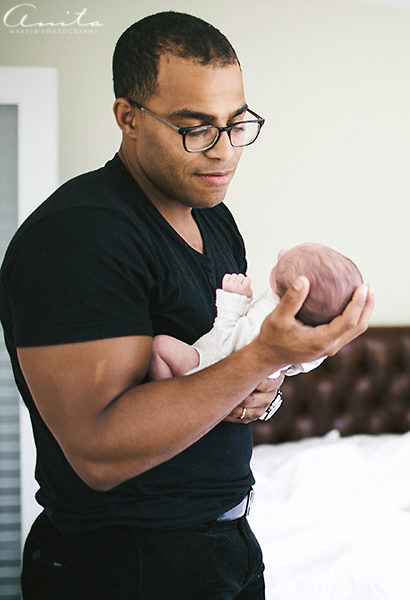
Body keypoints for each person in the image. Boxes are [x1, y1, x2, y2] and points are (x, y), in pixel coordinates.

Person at [0, 11, 373, 600]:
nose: (224, 151)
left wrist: (262, 390)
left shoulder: (216, 220)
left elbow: (224, 368)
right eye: (195, 127)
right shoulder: (80, 235)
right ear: (127, 117)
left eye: (236, 123)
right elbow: (99, 453)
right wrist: (255, 363)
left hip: (221, 544)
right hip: (126, 565)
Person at [150, 242, 364, 387]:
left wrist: (233, 298)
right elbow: (298, 363)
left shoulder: (268, 318)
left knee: (160, 347)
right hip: (244, 387)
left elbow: (227, 339)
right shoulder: (302, 341)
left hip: (207, 365)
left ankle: (167, 399)